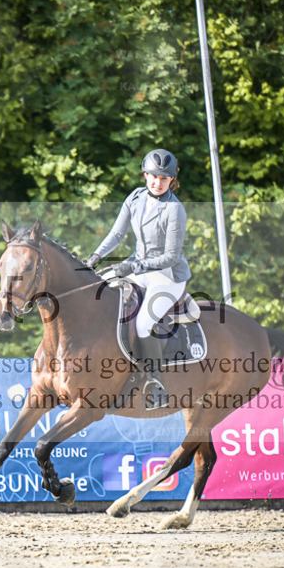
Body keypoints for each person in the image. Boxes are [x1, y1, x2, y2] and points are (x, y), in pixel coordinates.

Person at [84, 148, 191, 410]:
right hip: (139, 268)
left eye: (164, 179)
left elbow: (170, 256)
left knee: (143, 323)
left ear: (171, 181)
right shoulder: (135, 197)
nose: (158, 182)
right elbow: (117, 235)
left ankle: (155, 384)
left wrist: (132, 266)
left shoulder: (174, 210)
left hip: (168, 276)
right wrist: (94, 257)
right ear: (145, 175)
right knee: (103, 296)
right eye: (154, 176)